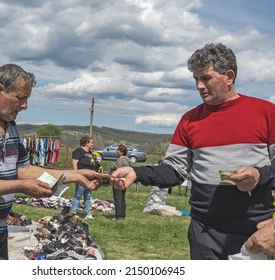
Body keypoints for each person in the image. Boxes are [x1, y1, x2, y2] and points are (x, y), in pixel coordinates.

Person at [109, 43, 275, 260]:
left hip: (255, 230)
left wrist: (258, 175)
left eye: (205, 78)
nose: (199, 86)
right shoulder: (189, 120)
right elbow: (174, 171)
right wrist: (137, 173)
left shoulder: (266, 113)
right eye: (195, 79)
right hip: (203, 231)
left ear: (229, 76)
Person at [0, 64, 100, 260]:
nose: (25, 106)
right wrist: (21, 187)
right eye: (20, 98)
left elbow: (24, 170)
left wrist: (76, 175)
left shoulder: (9, 125)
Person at [71, 136, 100, 220]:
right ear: (86, 143)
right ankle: (73, 213)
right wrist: (76, 175)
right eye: (91, 142)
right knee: (78, 195)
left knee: (88, 196)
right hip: (82, 177)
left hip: (91, 179)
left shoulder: (90, 153)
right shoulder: (78, 151)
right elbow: (74, 162)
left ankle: (88, 213)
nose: (92, 144)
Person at [110, 144, 131, 219]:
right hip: (125, 180)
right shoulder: (127, 160)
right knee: (122, 198)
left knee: (117, 198)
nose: (117, 152)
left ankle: (118, 215)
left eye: (118, 150)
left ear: (121, 152)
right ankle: (122, 215)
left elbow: (118, 171)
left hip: (118, 181)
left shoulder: (120, 160)